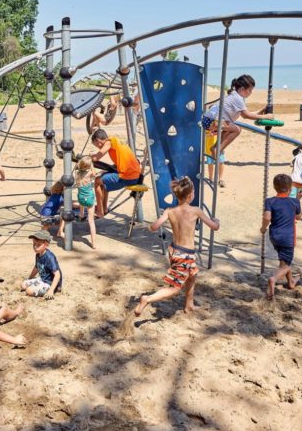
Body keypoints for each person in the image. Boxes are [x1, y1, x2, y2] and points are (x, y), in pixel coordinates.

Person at [135, 177, 219, 316]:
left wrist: (151, 226)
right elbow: (214, 227)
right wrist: (216, 221)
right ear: (191, 195)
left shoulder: (169, 211)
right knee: (175, 288)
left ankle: (189, 304)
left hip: (175, 251)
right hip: (185, 254)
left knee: (192, 274)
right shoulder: (196, 210)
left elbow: (154, 226)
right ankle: (147, 299)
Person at [201, 75, 273, 160]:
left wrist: (261, 111)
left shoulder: (234, 96)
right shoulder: (237, 98)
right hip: (212, 121)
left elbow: (245, 114)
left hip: (209, 120)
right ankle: (218, 149)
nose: (251, 93)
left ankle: (215, 148)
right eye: (250, 90)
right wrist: (266, 116)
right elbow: (246, 115)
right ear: (242, 89)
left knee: (230, 129)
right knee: (237, 129)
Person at [261, 174, 302, 300]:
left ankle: (291, 282)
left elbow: (267, 217)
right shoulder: (294, 202)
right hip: (288, 238)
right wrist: (298, 200)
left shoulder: (270, 201)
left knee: (283, 260)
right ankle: (273, 279)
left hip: (274, 236)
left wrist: (263, 228)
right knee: (286, 265)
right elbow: (298, 217)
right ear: (290, 188)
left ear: (274, 187)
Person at [89, 129, 142, 218]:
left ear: (98, 141)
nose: (98, 147)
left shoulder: (109, 142)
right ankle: (104, 208)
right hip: (136, 175)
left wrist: (90, 156)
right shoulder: (117, 141)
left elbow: (96, 158)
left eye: (96, 145)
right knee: (104, 179)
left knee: (97, 181)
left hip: (127, 177)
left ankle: (100, 211)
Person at [20, 231, 63, 298]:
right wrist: (29, 278)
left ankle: (51, 289)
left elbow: (57, 274)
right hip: (42, 279)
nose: (35, 247)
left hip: (49, 283)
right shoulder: (38, 254)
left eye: (38, 244)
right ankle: (36, 286)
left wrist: (51, 290)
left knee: (28, 291)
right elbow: (36, 268)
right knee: (23, 285)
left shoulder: (49, 257)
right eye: (34, 244)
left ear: (46, 244)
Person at [73, 156, 98, 248]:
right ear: (88, 166)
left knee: (81, 202)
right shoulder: (89, 174)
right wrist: (92, 164)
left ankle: (81, 214)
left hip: (81, 198)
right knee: (91, 221)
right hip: (90, 198)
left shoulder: (77, 174)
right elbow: (95, 174)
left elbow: (78, 168)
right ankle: (94, 243)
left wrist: (80, 162)